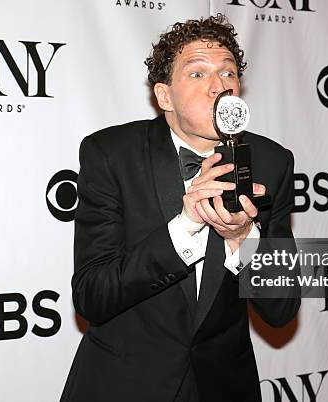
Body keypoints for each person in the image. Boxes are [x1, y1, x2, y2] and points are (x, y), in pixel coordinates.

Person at [60, 14, 300, 402]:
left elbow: (282, 308)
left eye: (228, 73)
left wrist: (242, 238)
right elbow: (92, 295)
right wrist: (186, 225)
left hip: (224, 386)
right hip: (124, 385)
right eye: (197, 74)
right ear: (164, 96)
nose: (218, 87)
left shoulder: (272, 161)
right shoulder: (111, 154)